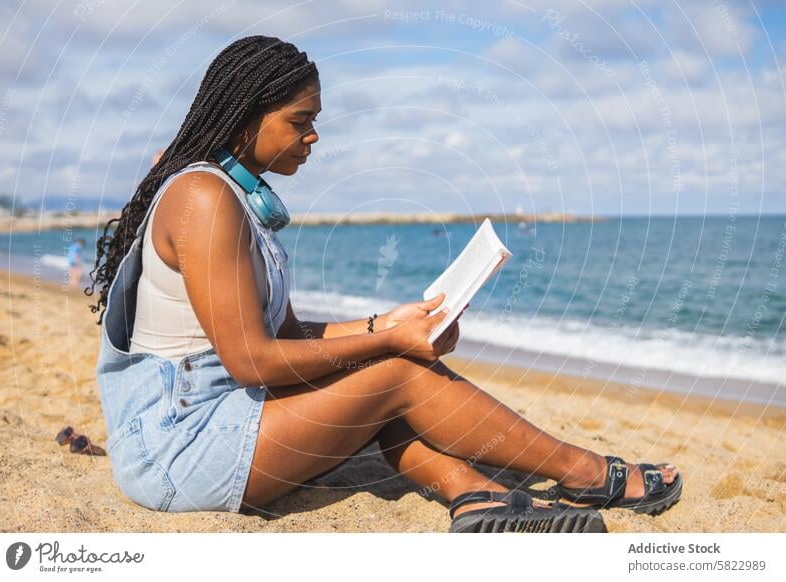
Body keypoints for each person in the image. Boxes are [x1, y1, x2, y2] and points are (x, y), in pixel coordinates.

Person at [86, 36, 681, 533]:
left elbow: (290, 336)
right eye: (301, 122)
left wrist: (389, 325)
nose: (313, 137)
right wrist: (390, 346)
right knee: (394, 374)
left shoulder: (237, 199)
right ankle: (588, 473)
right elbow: (254, 363)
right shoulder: (205, 198)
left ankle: (472, 495)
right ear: (246, 115)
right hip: (179, 447)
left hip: (219, 418)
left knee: (375, 373)